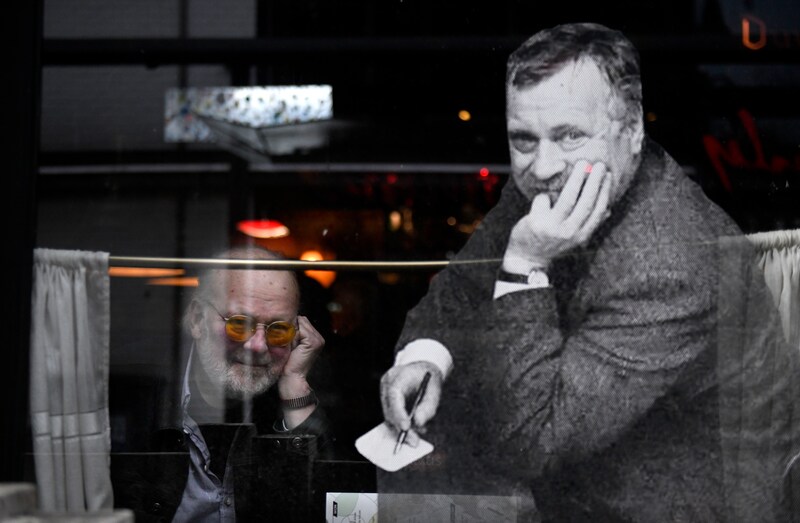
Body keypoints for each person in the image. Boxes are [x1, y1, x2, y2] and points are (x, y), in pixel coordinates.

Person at [379, 23, 800, 521]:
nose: (542, 166)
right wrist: (426, 358)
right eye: (523, 140)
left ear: (632, 131)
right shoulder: (550, 185)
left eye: (570, 135)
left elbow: (532, 441)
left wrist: (525, 266)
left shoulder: (672, 261)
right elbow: (460, 288)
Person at [112, 245, 332, 522]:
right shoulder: (141, 395)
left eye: (278, 329)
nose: (257, 346)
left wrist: (296, 386)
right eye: (238, 324)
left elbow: (324, 502)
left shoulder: (303, 388)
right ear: (197, 320)